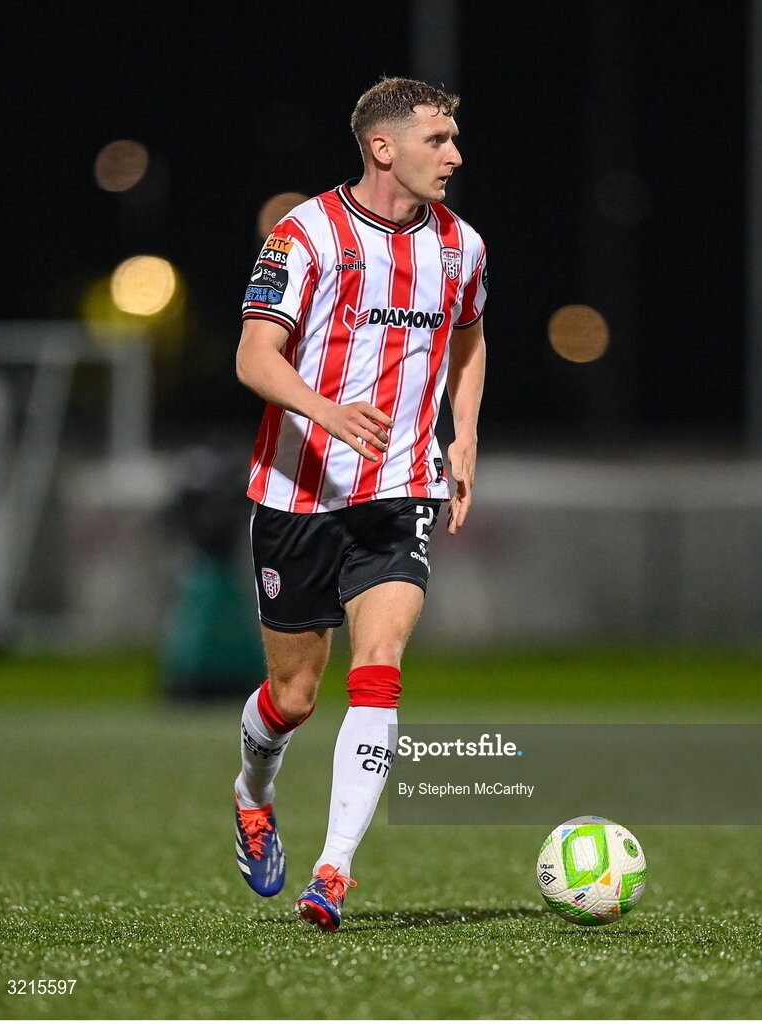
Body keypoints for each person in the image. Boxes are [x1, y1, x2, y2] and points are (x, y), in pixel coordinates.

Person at [232, 77, 487, 931]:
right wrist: (325, 410)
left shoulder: (461, 247)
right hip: (298, 495)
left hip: (399, 493)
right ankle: (253, 791)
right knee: (295, 696)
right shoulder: (306, 234)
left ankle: (332, 873)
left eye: (454, 139)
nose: (453, 154)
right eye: (438, 139)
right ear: (385, 147)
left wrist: (466, 436)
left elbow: (472, 333)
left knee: (380, 665)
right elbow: (254, 357)